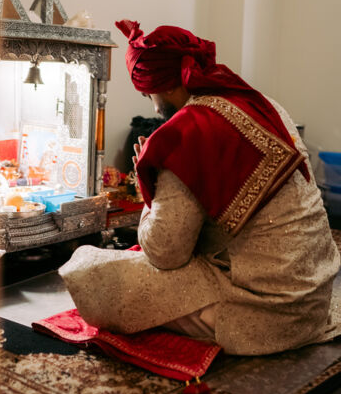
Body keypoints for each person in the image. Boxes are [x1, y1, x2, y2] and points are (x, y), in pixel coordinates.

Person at [59, 20, 341, 355]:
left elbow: (165, 254)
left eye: (147, 93)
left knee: (90, 271)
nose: (151, 105)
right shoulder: (259, 102)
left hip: (266, 309)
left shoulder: (185, 134)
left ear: (161, 85)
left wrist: (150, 186)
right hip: (314, 296)